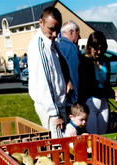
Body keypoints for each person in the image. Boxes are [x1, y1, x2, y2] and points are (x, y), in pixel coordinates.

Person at [28, 6, 73, 138]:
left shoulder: (52, 43)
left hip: (59, 103)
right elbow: (44, 83)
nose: (54, 34)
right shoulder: (40, 47)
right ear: (40, 23)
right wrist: (54, 114)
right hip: (51, 107)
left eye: (57, 29)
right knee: (59, 146)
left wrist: (67, 81)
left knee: (65, 142)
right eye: (51, 29)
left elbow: (60, 66)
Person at [78, 31, 117, 134]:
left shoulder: (106, 61)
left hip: (103, 103)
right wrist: (112, 94)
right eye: (96, 49)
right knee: (93, 136)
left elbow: (107, 85)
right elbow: (90, 88)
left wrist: (116, 94)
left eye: (101, 49)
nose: (99, 52)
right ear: (90, 47)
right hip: (91, 102)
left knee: (103, 136)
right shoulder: (85, 62)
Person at [58, 20, 81, 117]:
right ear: (71, 32)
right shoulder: (71, 48)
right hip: (71, 101)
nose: (79, 37)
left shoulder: (57, 46)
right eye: (78, 34)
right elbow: (75, 75)